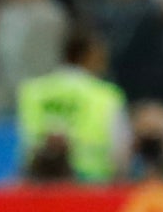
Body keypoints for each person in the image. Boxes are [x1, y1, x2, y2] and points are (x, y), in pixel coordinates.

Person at [17, 33, 128, 184]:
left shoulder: (33, 91)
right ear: (89, 56)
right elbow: (120, 153)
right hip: (91, 187)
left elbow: (25, 143)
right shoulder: (105, 96)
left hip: (38, 185)